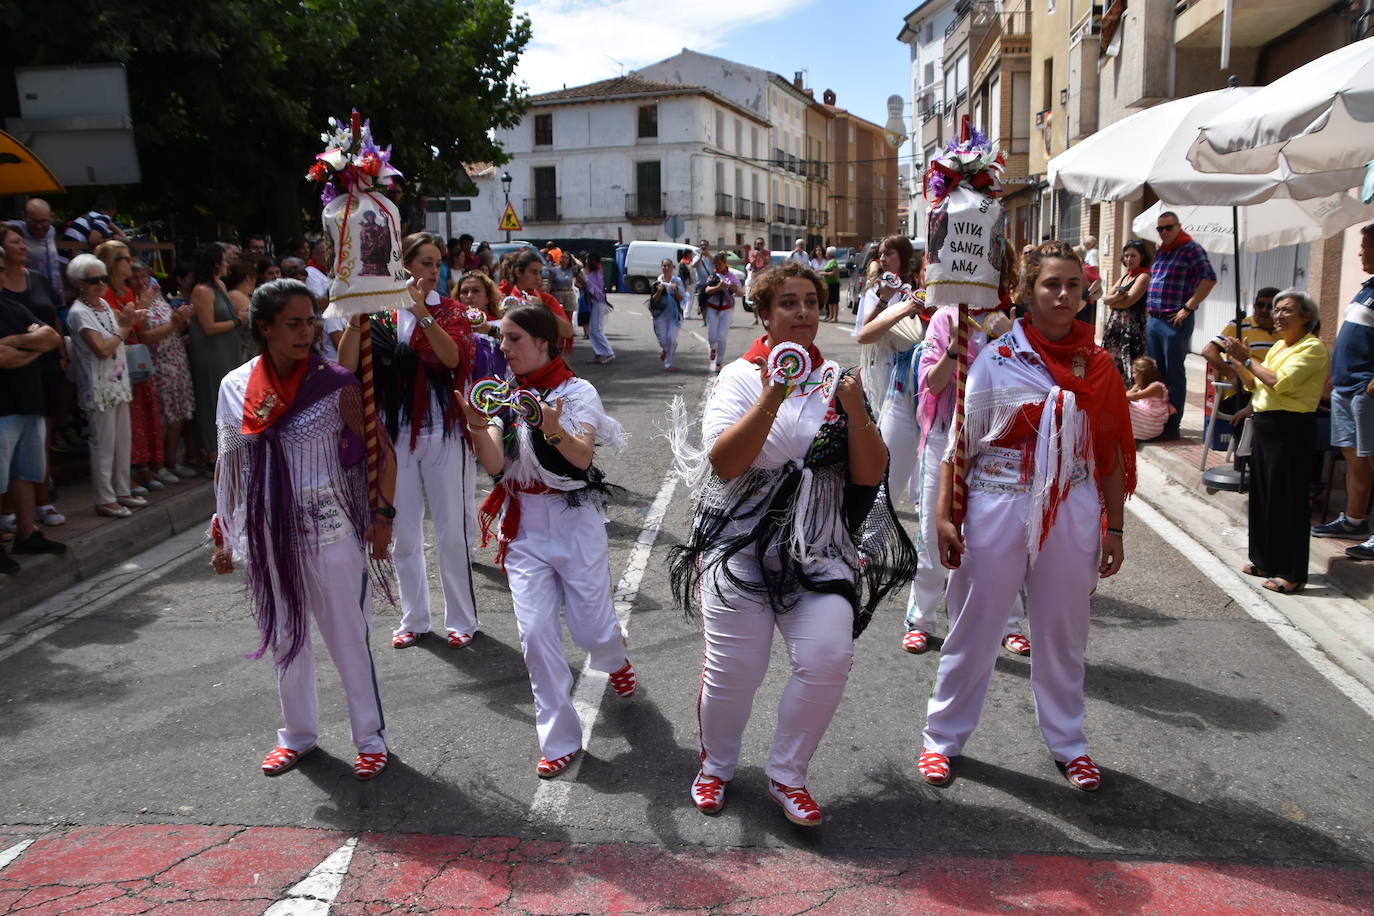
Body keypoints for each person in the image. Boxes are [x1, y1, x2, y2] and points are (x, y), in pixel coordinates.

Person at [669, 262, 915, 826]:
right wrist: (772, 395)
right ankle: (716, 766)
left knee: (828, 657)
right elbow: (725, 463)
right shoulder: (738, 377)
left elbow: (870, 474)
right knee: (737, 668)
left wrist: (857, 413)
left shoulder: (839, 381)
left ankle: (788, 775)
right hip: (739, 544)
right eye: (788, 303)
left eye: (810, 302)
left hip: (818, 548)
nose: (802, 312)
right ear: (764, 313)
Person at [921, 241, 1134, 793]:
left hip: (1072, 506)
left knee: (1063, 631)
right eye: (1050, 284)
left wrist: (1114, 526)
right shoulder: (996, 359)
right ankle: (941, 738)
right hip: (997, 501)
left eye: (1073, 285)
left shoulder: (1101, 366)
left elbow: (1110, 451)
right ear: (1026, 292)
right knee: (975, 624)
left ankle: (1069, 742)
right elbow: (961, 441)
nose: (1063, 295)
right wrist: (944, 516)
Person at [212, 278, 396, 780]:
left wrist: (382, 517)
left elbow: (382, 453)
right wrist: (223, 530)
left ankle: (370, 738)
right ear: (264, 328)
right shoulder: (234, 386)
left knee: (348, 638)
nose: (306, 332)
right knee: (286, 637)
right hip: (268, 532)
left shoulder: (336, 382)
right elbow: (231, 464)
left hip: (331, 531)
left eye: (311, 321)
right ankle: (297, 735)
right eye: (293, 323)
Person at [464, 303, 635, 779]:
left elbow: (580, 459)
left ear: (543, 342)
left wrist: (551, 426)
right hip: (524, 524)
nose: (503, 347)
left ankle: (614, 656)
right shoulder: (503, 394)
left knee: (591, 632)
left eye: (513, 338)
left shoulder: (577, 391)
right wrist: (477, 424)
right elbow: (495, 464)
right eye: (501, 338)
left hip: (573, 518)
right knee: (536, 635)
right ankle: (559, 739)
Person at [337, 233, 480, 651]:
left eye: (437, 263)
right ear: (403, 266)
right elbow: (346, 366)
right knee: (402, 531)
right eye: (425, 263)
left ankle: (462, 619)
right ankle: (414, 619)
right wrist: (354, 319)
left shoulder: (450, 310)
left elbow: (452, 359)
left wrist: (421, 314)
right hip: (393, 436)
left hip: (442, 433)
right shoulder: (378, 316)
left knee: (451, 530)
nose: (434, 271)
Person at [1222, 291, 1328, 593]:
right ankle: (1264, 559)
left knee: (1288, 499)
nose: (1278, 316)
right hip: (1266, 425)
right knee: (1264, 495)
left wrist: (1248, 360)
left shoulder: (1312, 348)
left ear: (1306, 317)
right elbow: (1254, 383)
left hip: (1291, 428)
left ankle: (1291, 572)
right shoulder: (1280, 345)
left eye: (1286, 311)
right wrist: (1239, 362)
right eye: (1277, 310)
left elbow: (1278, 381)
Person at [0, 227, 66, 571]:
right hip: (3, 408)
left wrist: (15, 343)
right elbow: (2, 359)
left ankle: (27, 534)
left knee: (24, 472)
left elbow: (51, 337)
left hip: (29, 401)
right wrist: (30, 345)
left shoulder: (12, 307)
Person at [65, 254, 142, 518]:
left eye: (103, 278)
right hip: (98, 388)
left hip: (117, 383)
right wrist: (124, 329)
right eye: (93, 280)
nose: (100, 284)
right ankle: (105, 498)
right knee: (103, 444)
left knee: (122, 442)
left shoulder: (104, 305)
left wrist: (130, 320)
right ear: (79, 283)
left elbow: (118, 331)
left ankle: (122, 491)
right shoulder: (79, 313)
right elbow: (101, 348)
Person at [1314, 225, 1374, 550]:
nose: (1360, 252)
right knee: (1354, 458)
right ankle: (1354, 520)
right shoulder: (1366, 289)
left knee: (1371, 458)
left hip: (1365, 390)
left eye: (1366, 246)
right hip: (1345, 389)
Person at [97, 241, 165, 496]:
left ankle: (141, 469)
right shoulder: (104, 295)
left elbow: (136, 328)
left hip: (134, 362)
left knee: (139, 418)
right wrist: (140, 309)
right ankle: (121, 480)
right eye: (124, 259)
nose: (130, 263)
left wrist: (141, 309)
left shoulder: (126, 292)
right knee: (117, 428)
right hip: (114, 363)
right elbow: (118, 327)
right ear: (112, 263)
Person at [1146, 212, 1216, 439]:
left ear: (1179, 226)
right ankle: (1155, 420)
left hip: (1173, 320)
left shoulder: (1191, 249)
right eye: (1160, 229)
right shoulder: (1162, 250)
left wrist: (1188, 307)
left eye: (1168, 227)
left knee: (1173, 373)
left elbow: (1209, 278)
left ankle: (1171, 425)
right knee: (1155, 373)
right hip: (1154, 319)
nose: (1164, 232)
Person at [133, 261, 196, 480]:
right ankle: (157, 465)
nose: (141, 282)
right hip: (157, 364)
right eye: (136, 278)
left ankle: (171, 462)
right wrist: (174, 324)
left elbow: (173, 325)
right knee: (162, 417)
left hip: (176, 360)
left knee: (177, 414)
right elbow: (145, 337)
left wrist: (182, 320)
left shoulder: (157, 296)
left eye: (144, 276)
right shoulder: (135, 303)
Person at [188, 242, 247, 464]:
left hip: (228, 349)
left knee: (230, 397)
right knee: (212, 398)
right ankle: (213, 451)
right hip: (211, 353)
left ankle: (230, 445)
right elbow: (208, 327)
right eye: (223, 260)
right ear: (214, 263)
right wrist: (238, 321)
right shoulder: (201, 291)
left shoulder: (220, 286)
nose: (227, 264)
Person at [499, 249, 575, 353]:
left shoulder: (547, 299)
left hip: (545, 358)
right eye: (533, 272)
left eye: (540, 273)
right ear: (518, 272)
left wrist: (543, 309)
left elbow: (567, 332)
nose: (538, 277)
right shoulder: (507, 301)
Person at [1101, 240, 1152, 385]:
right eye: (1126, 256)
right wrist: (1117, 298)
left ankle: (1129, 395)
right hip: (1115, 328)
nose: (1129, 259)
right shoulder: (1125, 277)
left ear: (1142, 257)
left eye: (1133, 256)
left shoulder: (1143, 276)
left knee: (1129, 365)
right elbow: (1105, 299)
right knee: (1111, 364)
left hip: (1131, 329)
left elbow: (1127, 303)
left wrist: (1114, 302)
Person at [11, 198, 64, 295]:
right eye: (34, 222)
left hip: (55, 292)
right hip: (30, 293)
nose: (39, 226)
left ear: (51, 217)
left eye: (43, 221)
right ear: (24, 216)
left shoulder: (51, 231)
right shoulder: (14, 229)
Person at [702, 254, 741, 372]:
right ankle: (713, 348)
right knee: (712, 337)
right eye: (715, 264)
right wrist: (718, 287)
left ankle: (719, 362)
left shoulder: (732, 276)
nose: (717, 266)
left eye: (719, 264)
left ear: (725, 263)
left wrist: (733, 288)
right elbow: (707, 290)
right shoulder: (713, 276)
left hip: (726, 309)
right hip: (712, 309)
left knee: (722, 337)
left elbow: (741, 293)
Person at [650, 258, 687, 372]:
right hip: (660, 314)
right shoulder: (658, 282)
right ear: (661, 267)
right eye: (664, 266)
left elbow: (681, 298)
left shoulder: (677, 281)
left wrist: (675, 290)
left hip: (673, 315)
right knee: (663, 340)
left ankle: (668, 363)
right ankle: (667, 349)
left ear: (672, 267)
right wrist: (659, 291)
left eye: (668, 266)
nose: (666, 268)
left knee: (670, 338)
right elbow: (653, 300)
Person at [1126, 356, 1173, 441]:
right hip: (1145, 416)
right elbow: (1127, 396)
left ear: (1143, 374)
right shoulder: (1139, 386)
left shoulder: (1157, 386)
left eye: (1134, 373)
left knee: (1122, 406)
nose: (1133, 376)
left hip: (1151, 424)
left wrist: (1112, 395)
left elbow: (1133, 397)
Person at [582, 254, 614, 364]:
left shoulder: (597, 272)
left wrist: (586, 282)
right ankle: (599, 352)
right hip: (594, 302)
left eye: (588, 259)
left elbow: (593, 287)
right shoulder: (593, 272)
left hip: (598, 302)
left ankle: (608, 352)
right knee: (591, 330)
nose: (586, 260)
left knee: (596, 329)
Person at [63, 195, 128, 246]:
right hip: (72, 255)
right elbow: (93, 240)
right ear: (113, 210)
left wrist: (110, 223)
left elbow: (125, 240)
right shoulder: (102, 218)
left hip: (68, 253)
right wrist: (108, 241)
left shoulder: (92, 216)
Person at [819, 246, 841, 322]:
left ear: (829, 254)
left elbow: (834, 273)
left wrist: (823, 273)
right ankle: (831, 316)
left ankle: (835, 317)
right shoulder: (829, 261)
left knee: (834, 301)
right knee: (829, 300)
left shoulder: (833, 261)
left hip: (833, 283)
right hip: (828, 283)